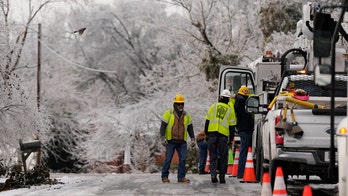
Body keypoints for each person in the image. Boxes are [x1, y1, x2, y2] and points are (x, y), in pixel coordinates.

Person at [160, 93, 196, 183]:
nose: (180, 106)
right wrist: (162, 137)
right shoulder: (168, 113)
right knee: (168, 158)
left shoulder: (186, 115)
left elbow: (190, 127)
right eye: (178, 104)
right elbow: (163, 127)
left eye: (182, 104)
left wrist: (192, 138)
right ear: (174, 104)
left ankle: (181, 177)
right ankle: (164, 176)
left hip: (182, 142)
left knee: (183, 159)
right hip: (171, 141)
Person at [204, 89, 236, 183]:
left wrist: (206, 134)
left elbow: (207, 122)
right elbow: (232, 127)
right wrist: (231, 139)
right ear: (228, 99)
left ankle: (213, 174)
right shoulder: (230, 110)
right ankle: (222, 178)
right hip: (223, 136)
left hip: (212, 135)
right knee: (223, 157)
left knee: (213, 156)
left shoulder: (213, 107)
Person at [234, 86, 254, 179]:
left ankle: (242, 172)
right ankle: (241, 173)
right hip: (245, 129)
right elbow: (241, 99)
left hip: (245, 129)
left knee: (245, 151)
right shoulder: (241, 102)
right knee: (244, 151)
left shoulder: (240, 102)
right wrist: (237, 96)